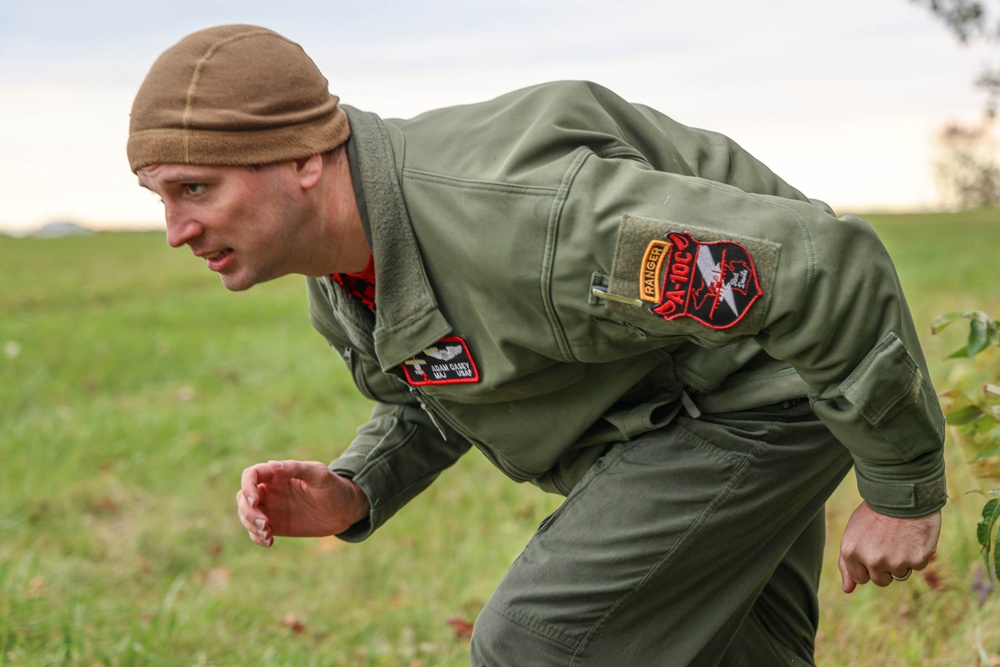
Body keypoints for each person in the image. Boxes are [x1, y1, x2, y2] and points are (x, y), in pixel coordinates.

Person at [128, 24, 946, 666]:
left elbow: (817, 267)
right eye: (159, 196)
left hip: (753, 396)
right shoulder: (344, 270)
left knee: (537, 644)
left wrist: (902, 482)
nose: (175, 230)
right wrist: (356, 486)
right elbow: (453, 379)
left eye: (195, 188)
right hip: (675, 409)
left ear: (304, 157)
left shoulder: (527, 220)